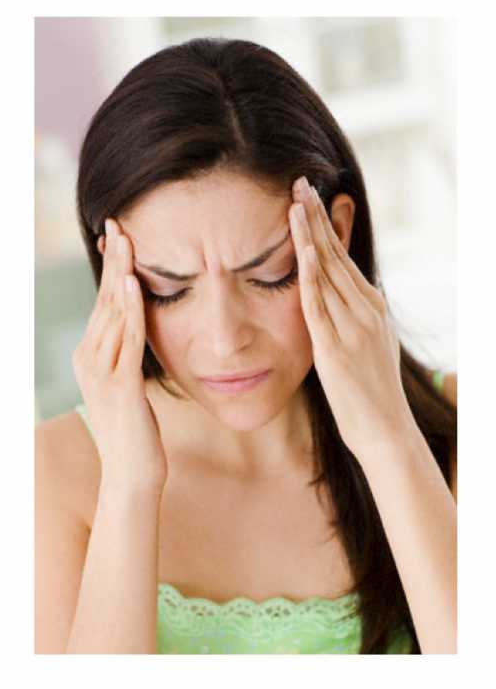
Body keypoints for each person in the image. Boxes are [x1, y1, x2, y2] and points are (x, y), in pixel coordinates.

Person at [35, 37, 457, 655]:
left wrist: (389, 441)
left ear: (338, 233)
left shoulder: (458, 427)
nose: (225, 340)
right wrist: (128, 485)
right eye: (169, 288)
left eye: (268, 276)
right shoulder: (51, 474)